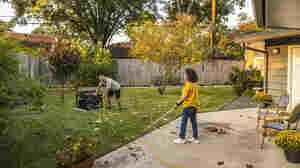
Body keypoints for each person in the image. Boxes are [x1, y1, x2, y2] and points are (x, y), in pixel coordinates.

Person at [173, 68, 200, 144]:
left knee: (183, 122)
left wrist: (177, 104)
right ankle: (195, 138)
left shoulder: (187, 86)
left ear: (188, 76)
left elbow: (184, 97)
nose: (184, 76)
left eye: (185, 74)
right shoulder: (194, 85)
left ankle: (181, 138)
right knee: (194, 122)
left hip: (187, 107)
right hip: (194, 107)